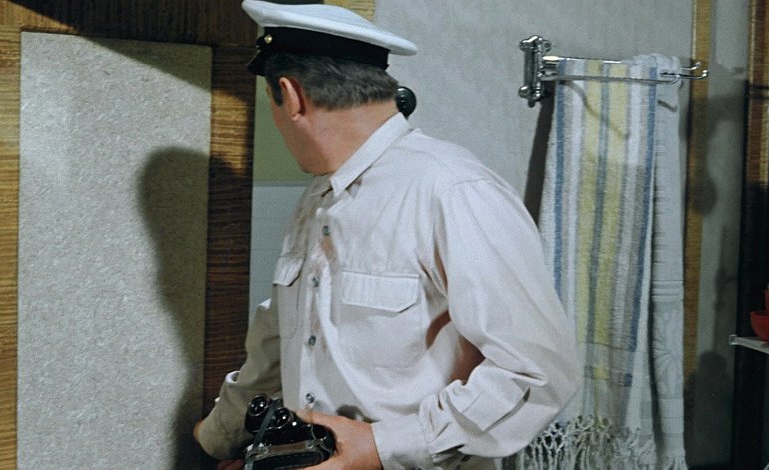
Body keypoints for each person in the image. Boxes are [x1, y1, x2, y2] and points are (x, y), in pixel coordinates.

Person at [194, 2, 580, 469]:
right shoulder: (318, 197)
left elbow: (539, 373)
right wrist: (223, 438)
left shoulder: (454, 190)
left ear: (291, 96)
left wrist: (384, 445)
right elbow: (281, 341)